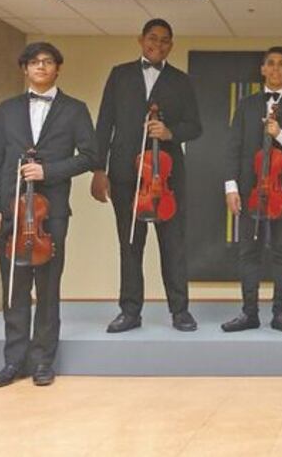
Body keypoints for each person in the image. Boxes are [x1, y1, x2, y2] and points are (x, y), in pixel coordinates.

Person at [0, 42, 97, 387]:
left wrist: (49, 171)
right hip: (10, 210)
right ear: (25, 69)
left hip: (51, 213)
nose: (41, 66)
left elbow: (90, 156)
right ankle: (13, 361)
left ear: (57, 68)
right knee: (14, 287)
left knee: (47, 288)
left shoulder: (75, 109)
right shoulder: (6, 109)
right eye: (34, 62)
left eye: (48, 62)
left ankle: (43, 360)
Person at [91, 19, 201, 333]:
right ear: (141, 40)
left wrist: (170, 132)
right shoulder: (120, 75)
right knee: (130, 245)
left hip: (167, 177)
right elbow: (105, 123)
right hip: (124, 174)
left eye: (165, 40)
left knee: (173, 246)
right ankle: (129, 311)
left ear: (171, 45)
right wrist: (98, 169)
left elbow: (195, 126)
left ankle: (180, 311)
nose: (158, 45)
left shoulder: (181, 81)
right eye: (153, 38)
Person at [222, 46, 282, 333]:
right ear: (262, 69)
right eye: (270, 63)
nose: (275, 69)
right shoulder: (246, 105)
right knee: (249, 252)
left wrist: (280, 134)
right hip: (249, 190)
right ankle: (249, 313)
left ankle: (280, 314)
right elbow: (233, 147)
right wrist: (231, 186)